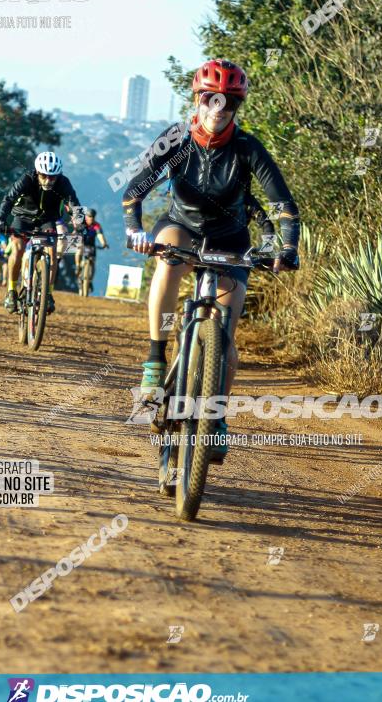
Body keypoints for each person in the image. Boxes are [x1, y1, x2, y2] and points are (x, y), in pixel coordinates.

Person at [122, 59, 299, 459]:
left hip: (229, 238)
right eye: (210, 99)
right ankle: (155, 360)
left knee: (226, 339)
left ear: (238, 107)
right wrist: (135, 230)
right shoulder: (175, 139)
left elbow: (283, 204)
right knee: (169, 261)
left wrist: (287, 248)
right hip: (181, 226)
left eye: (230, 103)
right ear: (198, 99)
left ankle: (215, 416)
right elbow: (135, 190)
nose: (219, 110)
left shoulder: (248, 148)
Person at [0, 151, 81, 314]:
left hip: (47, 220)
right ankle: (11, 291)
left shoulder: (63, 183)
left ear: (58, 175)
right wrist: (1, 219)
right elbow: (9, 199)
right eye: (44, 176)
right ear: (37, 172)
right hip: (23, 217)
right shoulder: (27, 179)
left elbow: (74, 203)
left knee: (52, 252)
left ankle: (47, 294)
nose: (48, 180)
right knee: (18, 249)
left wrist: (80, 222)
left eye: (52, 177)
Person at [74, 207, 108, 289]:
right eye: (89, 217)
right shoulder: (82, 224)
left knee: (93, 263)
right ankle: (78, 266)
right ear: (86, 217)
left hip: (91, 245)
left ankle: (90, 281)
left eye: (92, 217)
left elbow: (100, 235)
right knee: (78, 251)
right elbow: (76, 233)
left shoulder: (96, 225)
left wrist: (104, 243)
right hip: (81, 243)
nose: (91, 219)